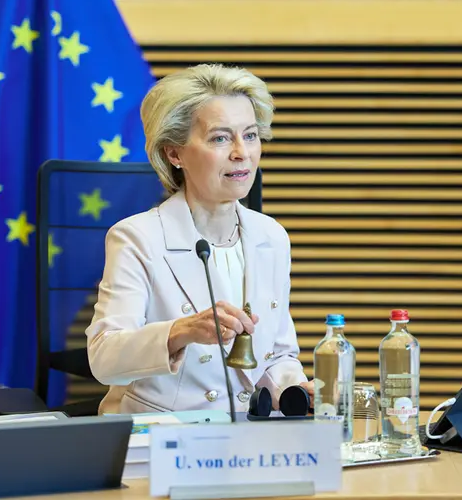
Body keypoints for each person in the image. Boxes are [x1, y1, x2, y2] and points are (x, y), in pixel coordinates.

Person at [86, 63, 313, 415]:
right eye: (220, 138)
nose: (242, 152)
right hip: (162, 438)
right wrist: (181, 331)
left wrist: (293, 389)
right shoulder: (137, 238)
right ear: (174, 154)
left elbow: (278, 354)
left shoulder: (271, 237)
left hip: (247, 440)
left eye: (250, 135)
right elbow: (103, 358)